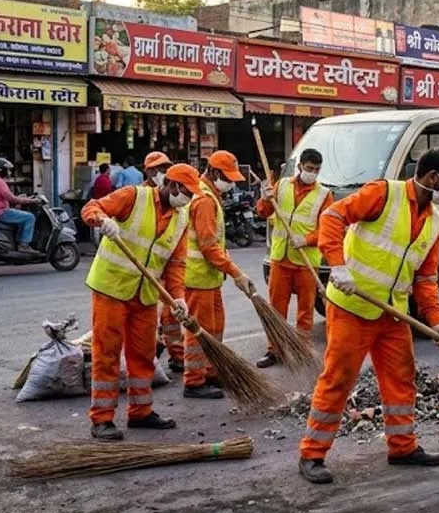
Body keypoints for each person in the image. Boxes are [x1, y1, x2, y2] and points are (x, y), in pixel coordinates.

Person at [297, 148, 439, 485]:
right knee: (338, 379)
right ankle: (312, 453)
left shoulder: (435, 221)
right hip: (351, 308)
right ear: (432, 178)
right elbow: (332, 217)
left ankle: (402, 447)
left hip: (392, 314)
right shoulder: (384, 193)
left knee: (402, 379)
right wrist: (337, 265)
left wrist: (438, 321)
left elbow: (426, 279)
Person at [81, 163, 201, 440]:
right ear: (170, 184)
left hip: (144, 295)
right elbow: (91, 207)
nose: (188, 199)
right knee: (107, 353)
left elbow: (175, 264)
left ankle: (141, 412)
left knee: (143, 355)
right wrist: (102, 220)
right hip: (111, 288)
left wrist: (178, 298)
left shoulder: (181, 219)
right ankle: (102, 419)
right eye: (186, 192)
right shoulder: (133, 197)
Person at [182, 151, 254, 399]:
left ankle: (212, 371)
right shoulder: (204, 200)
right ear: (212, 172)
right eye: (227, 177)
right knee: (199, 331)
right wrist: (236, 273)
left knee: (215, 328)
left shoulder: (211, 194)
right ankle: (194, 381)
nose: (231, 183)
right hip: (198, 277)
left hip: (209, 278)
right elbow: (209, 246)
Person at [255, 148, 333, 368]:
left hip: (306, 262)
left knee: (305, 311)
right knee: (276, 309)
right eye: (309, 169)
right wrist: (264, 198)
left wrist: (307, 239)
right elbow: (263, 212)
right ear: (300, 167)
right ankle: (275, 350)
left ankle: (302, 349)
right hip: (281, 259)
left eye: (317, 170)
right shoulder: (281, 186)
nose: (313, 173)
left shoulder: (323, 195)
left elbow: (327, 230)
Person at [142, 151, 184, 374]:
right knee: (147, 321)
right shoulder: (141, 197)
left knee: (171, 316)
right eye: (159, 169)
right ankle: (152, 353)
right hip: (142, 274)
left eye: (166, 168)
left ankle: (176, 355)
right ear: (148, 171)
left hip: (165, 268)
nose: (163, 173)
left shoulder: (173, 200)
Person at [0, 157, 39, 253]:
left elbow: (3, 197)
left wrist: (21, 198)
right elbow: (12, 199)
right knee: (30, 217)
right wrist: (31, 201)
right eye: (7, 170)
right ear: (0, 170)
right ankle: (24, 245)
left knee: (20, 215)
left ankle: (17, 241)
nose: (9, 172)